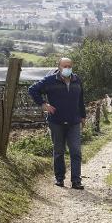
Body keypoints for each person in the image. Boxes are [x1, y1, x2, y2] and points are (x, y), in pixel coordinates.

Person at [29, 58, 86, 189]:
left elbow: (80, 99)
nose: (68, 68)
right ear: (59, 67)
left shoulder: (77, 80)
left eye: (70, 66)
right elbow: (32, 90)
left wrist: (83, 116)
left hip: (74, 122)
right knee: (59, 151)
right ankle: (59, 178)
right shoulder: (49, 81)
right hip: (56, 122)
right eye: (65, 66)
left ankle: (76, 180)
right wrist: (43, 104)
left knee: (76, 151)